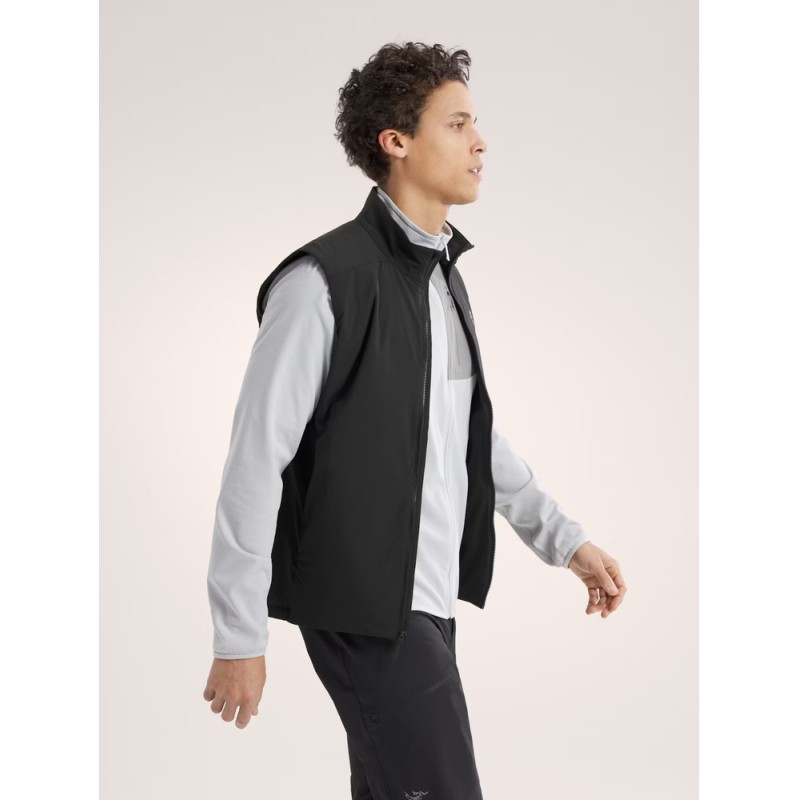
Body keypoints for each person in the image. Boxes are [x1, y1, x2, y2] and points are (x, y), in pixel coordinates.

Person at [202, 41, 627, 799]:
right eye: (457, 124)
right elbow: (255, 459)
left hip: (424, 602)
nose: (480, 142)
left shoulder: (442, 285)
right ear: (395, 141)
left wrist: (565, 541)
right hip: (363, 605)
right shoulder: (322, 283)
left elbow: (470, 436)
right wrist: (239, 633)